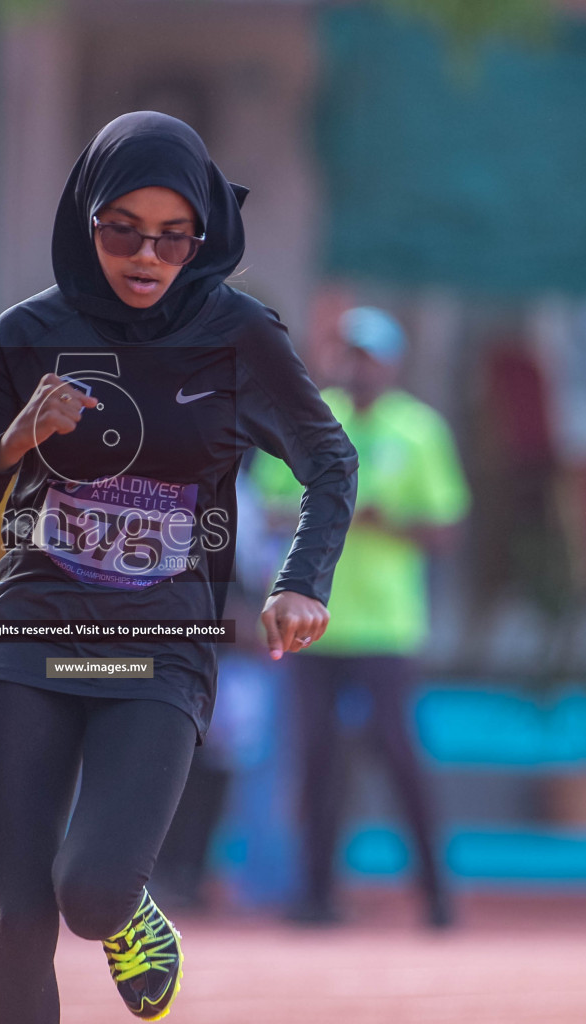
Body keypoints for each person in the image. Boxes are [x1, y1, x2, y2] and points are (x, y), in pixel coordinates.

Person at [0, 111, 357, 1023]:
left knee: (91, 891)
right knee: (19, 916)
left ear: (203, 235)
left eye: (172, 235)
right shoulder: (27, 333)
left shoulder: (239, 337)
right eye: (122, 230)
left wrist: (301, 580)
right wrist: (14, 441)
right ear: (87, 221)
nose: (146, 255)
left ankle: (128, 914)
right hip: (32, 635)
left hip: (160, 645)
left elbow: (331, 462)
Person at [255, 307, 469, 929]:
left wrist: (388, 521)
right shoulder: (311, 417)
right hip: (312, 623)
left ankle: (436, 896)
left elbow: (448, 529)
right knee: (317, 762)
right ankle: (314, 897)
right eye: (350, 353)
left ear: (393, 363)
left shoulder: (420, 430)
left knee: (400, 757)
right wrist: (321, 512)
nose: (359, 366)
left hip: (387, 627)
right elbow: (270, 504)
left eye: (370, 355)